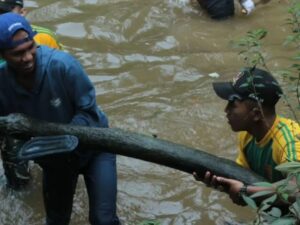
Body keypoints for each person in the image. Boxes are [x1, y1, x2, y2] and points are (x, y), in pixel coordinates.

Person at [0, 12, 120, 225]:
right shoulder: (2, 82)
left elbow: (88, 112)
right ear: (2, 55)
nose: (27, 58)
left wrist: (58, 139)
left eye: (30, 48)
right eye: (17, 54)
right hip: (54, 159)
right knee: (56, 221)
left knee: (103, 220)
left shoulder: (63, 65)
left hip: (95, 148)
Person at [194, 67, 300, 206]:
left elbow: (296, 189)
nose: (226, 110)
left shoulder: (290, 141)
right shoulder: (247, 135)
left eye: (233, 103)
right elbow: (244, 184)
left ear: (256, 114)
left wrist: (246, 191)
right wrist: (221, 182)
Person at [0, 0, 62, 190]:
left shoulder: (43, 37)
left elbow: (60, 80)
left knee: (58, 166)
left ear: (22, 13)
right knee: (17, 179)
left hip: (46, 107)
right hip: (11, 114)